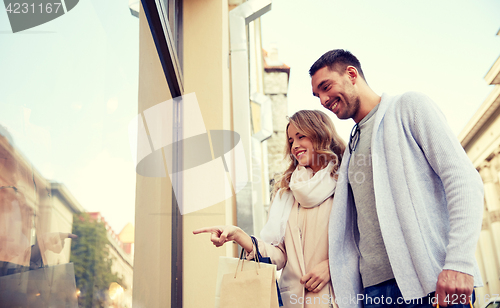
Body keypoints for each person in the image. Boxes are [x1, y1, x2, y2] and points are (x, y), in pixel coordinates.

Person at [309, 49, 484, 308]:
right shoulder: (352, 148)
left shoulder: (409, 106)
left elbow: (463, 179)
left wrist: (459, 262)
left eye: (326, 87)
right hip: (374, 293)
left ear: (351, 74)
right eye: (317, 95)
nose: (323, 100)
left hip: (432, 283)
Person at [194, 110, 346, 308]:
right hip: (294, 301)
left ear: (321, 134)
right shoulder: (286, 191)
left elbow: (363, 242)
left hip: (337, 297)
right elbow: (280, 255)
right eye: (291, 140)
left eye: (301, 136)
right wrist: (239, 236)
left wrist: (331, 266)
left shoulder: (345, 182)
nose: (295, 146)